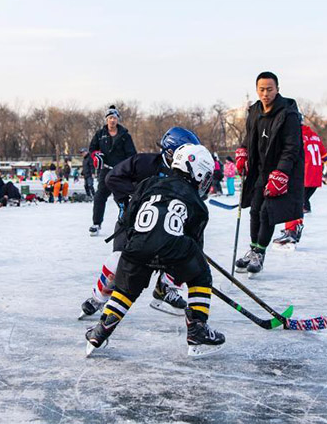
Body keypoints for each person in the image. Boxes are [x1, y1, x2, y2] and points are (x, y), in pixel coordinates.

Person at [84, 143, 225, 358]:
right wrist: (187, 263)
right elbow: (194, 241)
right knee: (200, 276)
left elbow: (129, 218)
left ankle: (100, 331)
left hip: (136, 247)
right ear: (196, 172)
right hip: (173, 247)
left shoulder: (148, 183)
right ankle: (197, 328)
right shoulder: (197, 203)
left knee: (125, 291)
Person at [79, 127, 201, 320]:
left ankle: (167, 287)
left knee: (187, 252)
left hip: (167, 227)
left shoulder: (186, 172)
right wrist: (138, 196)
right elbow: (113, 178)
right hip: (133, 223)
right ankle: (99, 297)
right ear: (170, 152)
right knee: (119, 261)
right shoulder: (143, 162)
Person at [234, 71, 304, 276]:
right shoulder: (254, 110)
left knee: (267, 212)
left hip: (279, 172)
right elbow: (250, 137)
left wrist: (281, 173)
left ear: (277, 89)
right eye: (262, 89)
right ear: (257, 90)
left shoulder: (288, 114)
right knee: (254, 209)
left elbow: (292, 147)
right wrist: (243, 152)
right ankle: (253, 248)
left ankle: (260, 253)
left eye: (270, 89)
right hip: (259, 170)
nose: (265, 93)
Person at [273, 119, 327, 247]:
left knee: (292, 202)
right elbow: (326, 157)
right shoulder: (314, 135)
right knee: (299, 202)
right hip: (315, 176)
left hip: (303, 174)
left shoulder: (295, 134)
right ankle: (293, 228)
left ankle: (292, 231)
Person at [87, 105, 137, 235]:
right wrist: (95, 155)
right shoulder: (100, 134)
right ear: (106, 119)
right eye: (110, 118)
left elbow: (132, 154)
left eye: (114, 118)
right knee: (99, 196)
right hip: (106, 170)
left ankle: (128, 222)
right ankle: (96, 223)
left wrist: (129, 169)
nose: (112, 120)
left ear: (118, 119)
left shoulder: (125, 135)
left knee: (122, 197)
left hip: (120, 171)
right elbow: (92, 149)